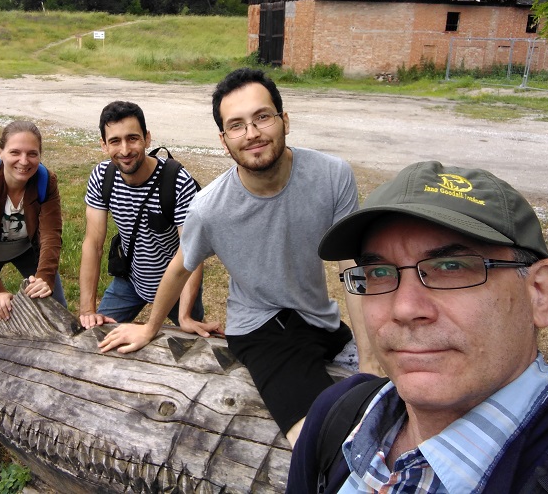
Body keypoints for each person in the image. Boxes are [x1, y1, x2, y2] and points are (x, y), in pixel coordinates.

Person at [287, 160, 548, 492]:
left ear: (540, 293)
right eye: (379, 273)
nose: (405, 308)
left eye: (451, 267)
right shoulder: (336, 415)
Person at [99, 68, 375, 447]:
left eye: (262, 117)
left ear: (285, 120)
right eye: (236, 125)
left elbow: (353, 269)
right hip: (259, 327)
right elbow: (180, 267)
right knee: (322, 440)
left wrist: (371, 359)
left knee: (384, 395)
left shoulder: (332, 176)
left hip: (318, 317)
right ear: (224, 139)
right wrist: (150, 327)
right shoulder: (209, 208)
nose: (252, 133)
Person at [78, 100, 206, 329]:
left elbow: (192, 252)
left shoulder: (177, 181)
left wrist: (186, 316)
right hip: (131, 279)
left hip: (178, 282)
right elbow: (93, 244)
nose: (125, 150)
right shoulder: (102, 177)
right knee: (95, 335)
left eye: (132, 138)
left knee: (193, 341)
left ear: (147, 138)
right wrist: (87, 310)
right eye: (115, 141)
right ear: (104, 145)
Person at [0, 120, 65, 321]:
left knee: (56, 306)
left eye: (32, 154)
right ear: (0, 152)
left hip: (26, 250)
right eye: (15, 152)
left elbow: (51, 235)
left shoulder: (46, 181)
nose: (24, 161)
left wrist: (44, 277)